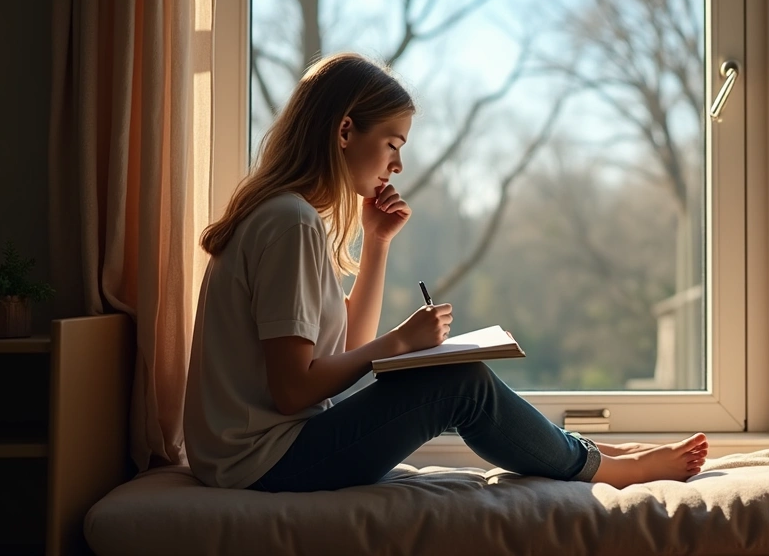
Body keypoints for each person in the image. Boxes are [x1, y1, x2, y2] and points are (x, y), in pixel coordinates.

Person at [183, 53, 708, 493]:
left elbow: (346, 351)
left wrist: (377, 243)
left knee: (456, 377)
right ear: (345, 130)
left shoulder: (289, 217)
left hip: (257, 454)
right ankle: (610, 469)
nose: (397, 165)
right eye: (393, 144)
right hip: (260, 463)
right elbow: (294, 390)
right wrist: (400, 342)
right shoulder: (290, 223)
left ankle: (588, 454)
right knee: (460, 382)